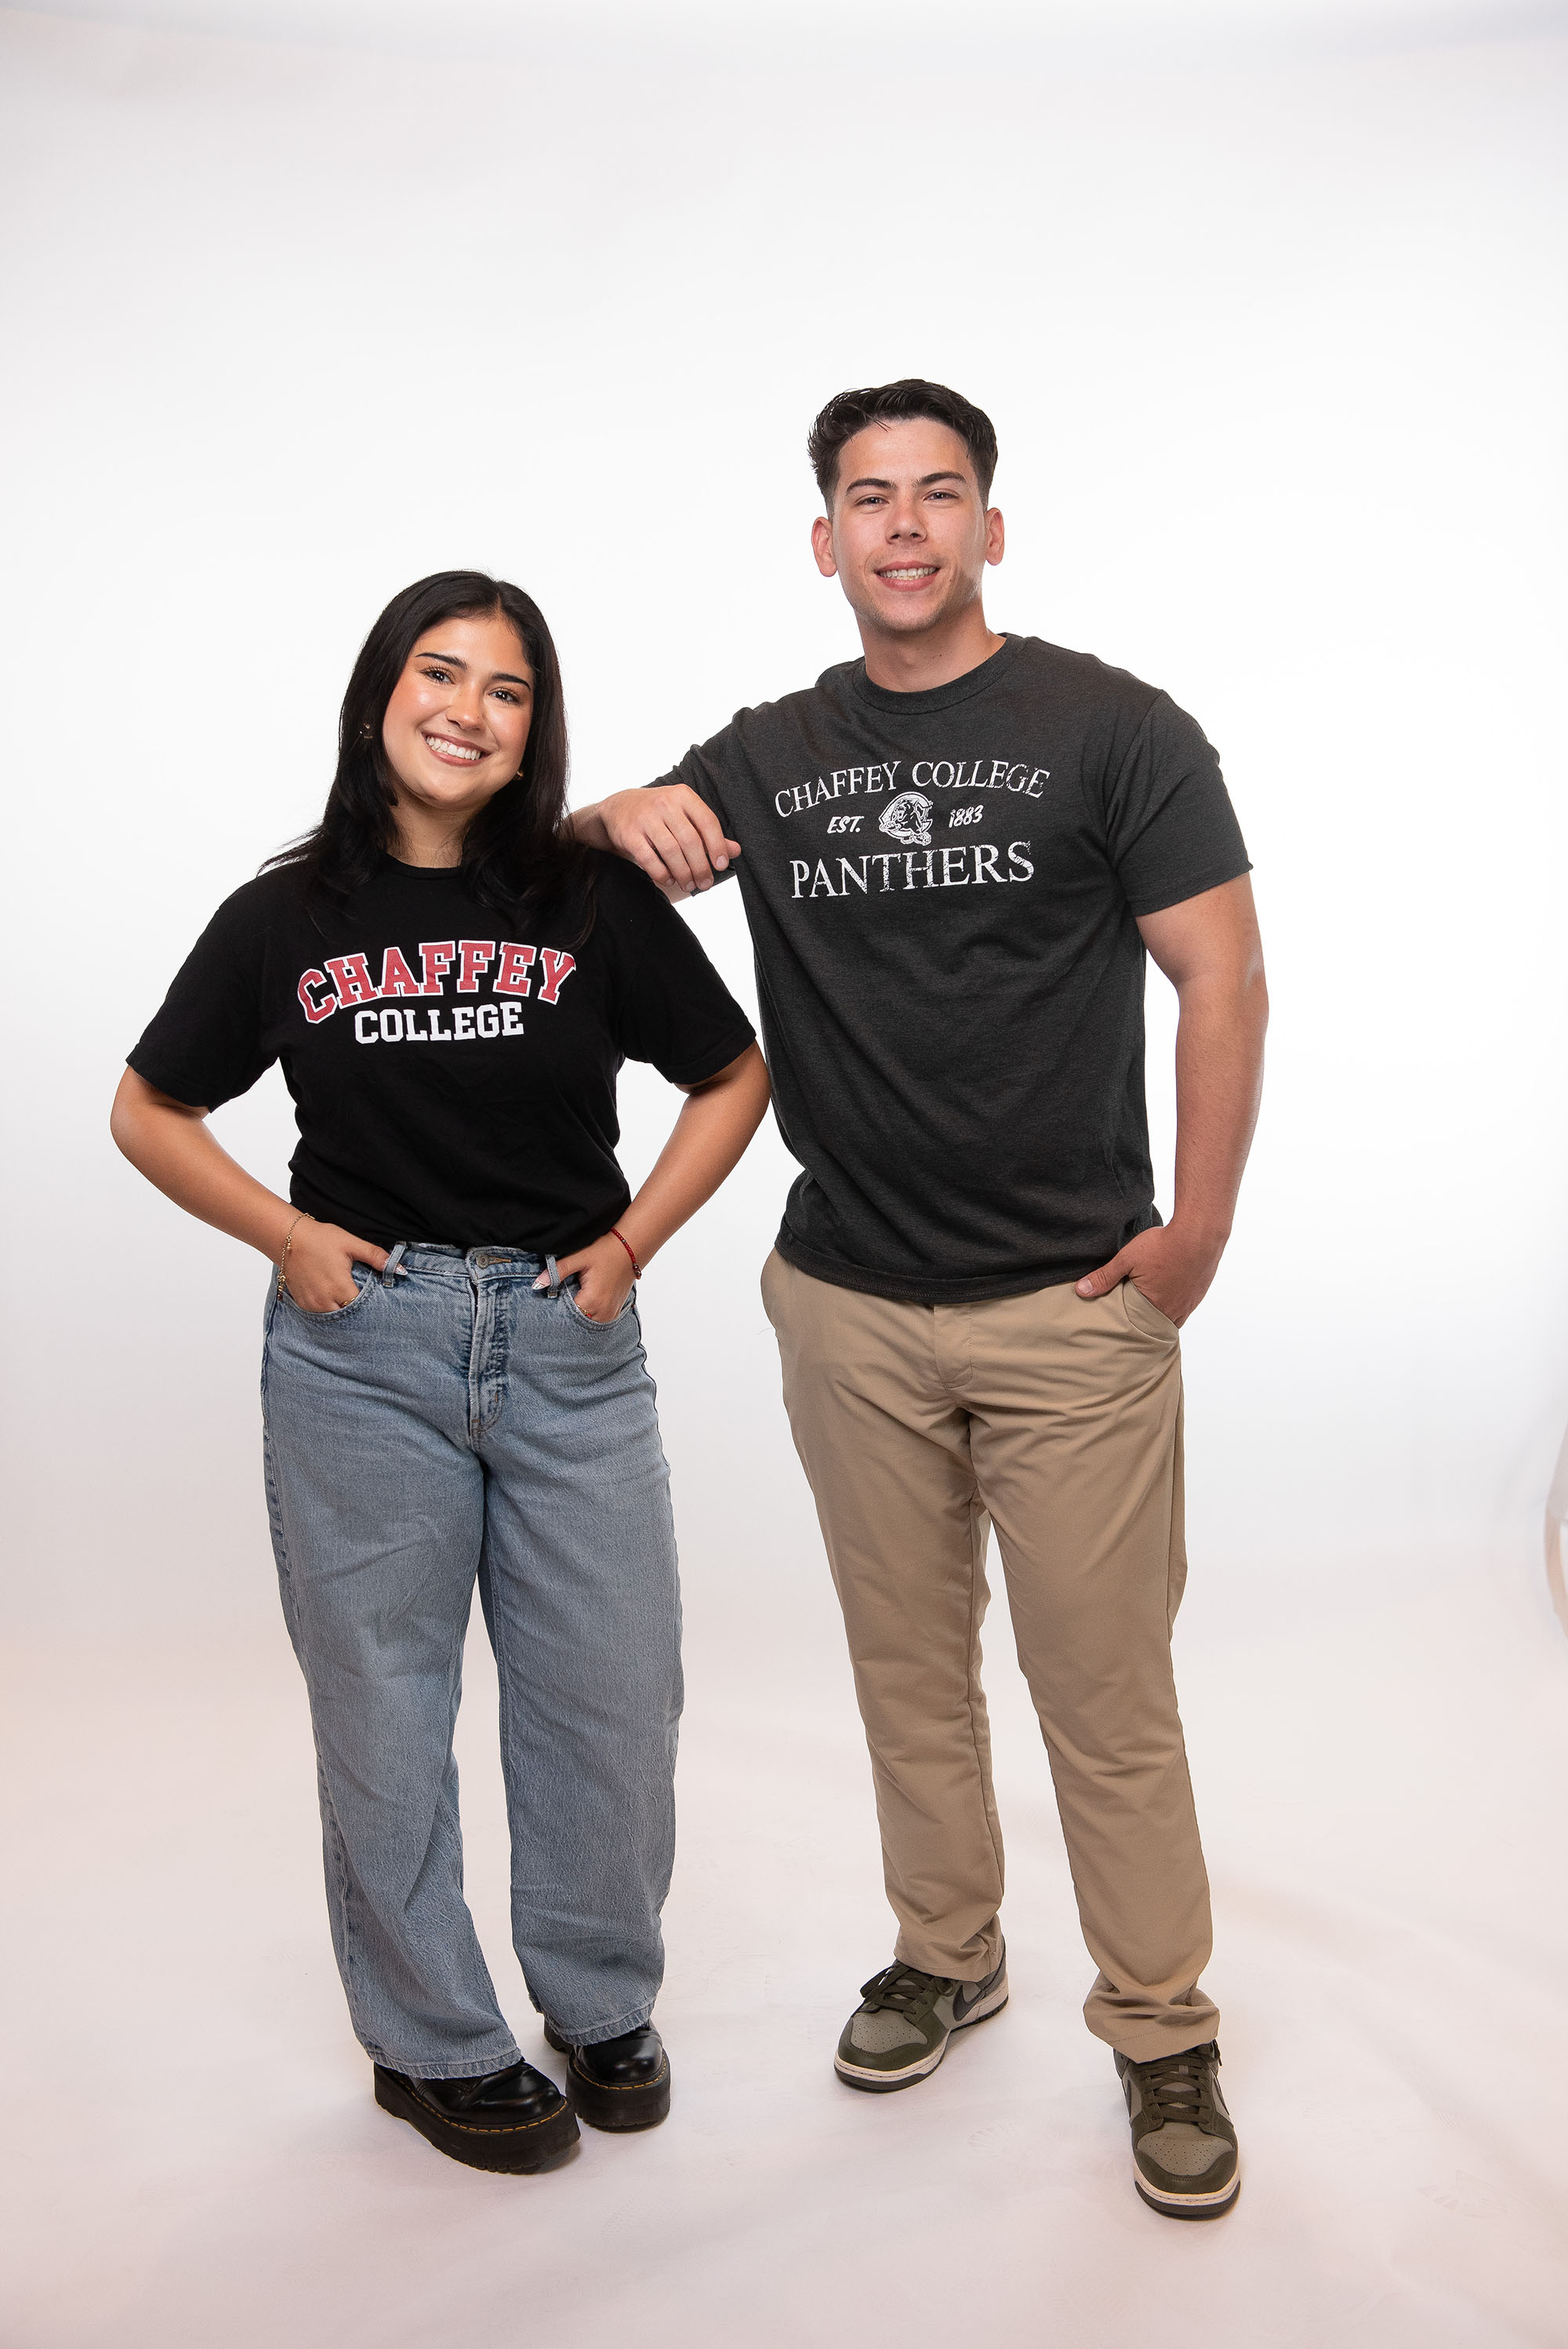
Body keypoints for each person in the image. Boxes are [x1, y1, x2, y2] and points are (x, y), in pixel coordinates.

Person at [572, 382, 1267, 2220]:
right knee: (906, 1671)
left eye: (937, 493)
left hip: (1072, 1306)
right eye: (866, 499)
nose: (901, 526)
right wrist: (617, 799)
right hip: (850, 1304)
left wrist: (1191, 1234)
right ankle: (945, 1949)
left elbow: (1221, 981)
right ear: (824, 541)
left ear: (989, 527)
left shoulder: (1115, 728)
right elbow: (566, 861)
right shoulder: (772, 749)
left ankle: (1159, 2024)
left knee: (1103, 1692)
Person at [111, 571, 769, 2175]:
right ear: (376, 698)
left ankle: (599, 1998)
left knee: (611, 1693)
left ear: (535, 728)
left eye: (509, 689)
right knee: (386, 1707)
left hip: (568, 1338)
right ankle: (430, 2040)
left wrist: (630, 1248)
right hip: (365, 1348)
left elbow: (734, 1070)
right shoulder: (285, 918)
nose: (468, 710)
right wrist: (289, 1237)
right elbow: (148, 1107)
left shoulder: (587, 901)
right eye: (440, 673)